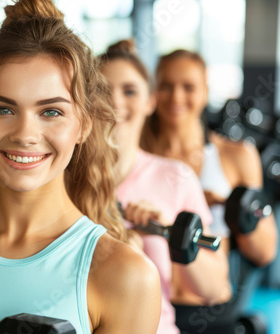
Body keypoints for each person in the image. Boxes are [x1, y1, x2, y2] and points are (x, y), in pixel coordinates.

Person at [0, 1, 162, 333]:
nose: (24, 135)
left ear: (83, 126)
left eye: (51, 111)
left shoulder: (125, 276)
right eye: (3, 110)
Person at [99, 40, 231, 334]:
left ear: (150, 102)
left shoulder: (176, 177)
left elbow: (213, 288)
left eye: (129, 91)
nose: (116, 102)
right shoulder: (63, 177)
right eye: (102, 90)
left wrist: (173, 232)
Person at [141, 49, 278, 331]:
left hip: (211, 306)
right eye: (166, 86)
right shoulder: (136, 155)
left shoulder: (235, 155)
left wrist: (229, 205)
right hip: (148, 307)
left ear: (205, 91)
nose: (176, 97)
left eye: (188, 87)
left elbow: (265, 252)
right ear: (154, 91)